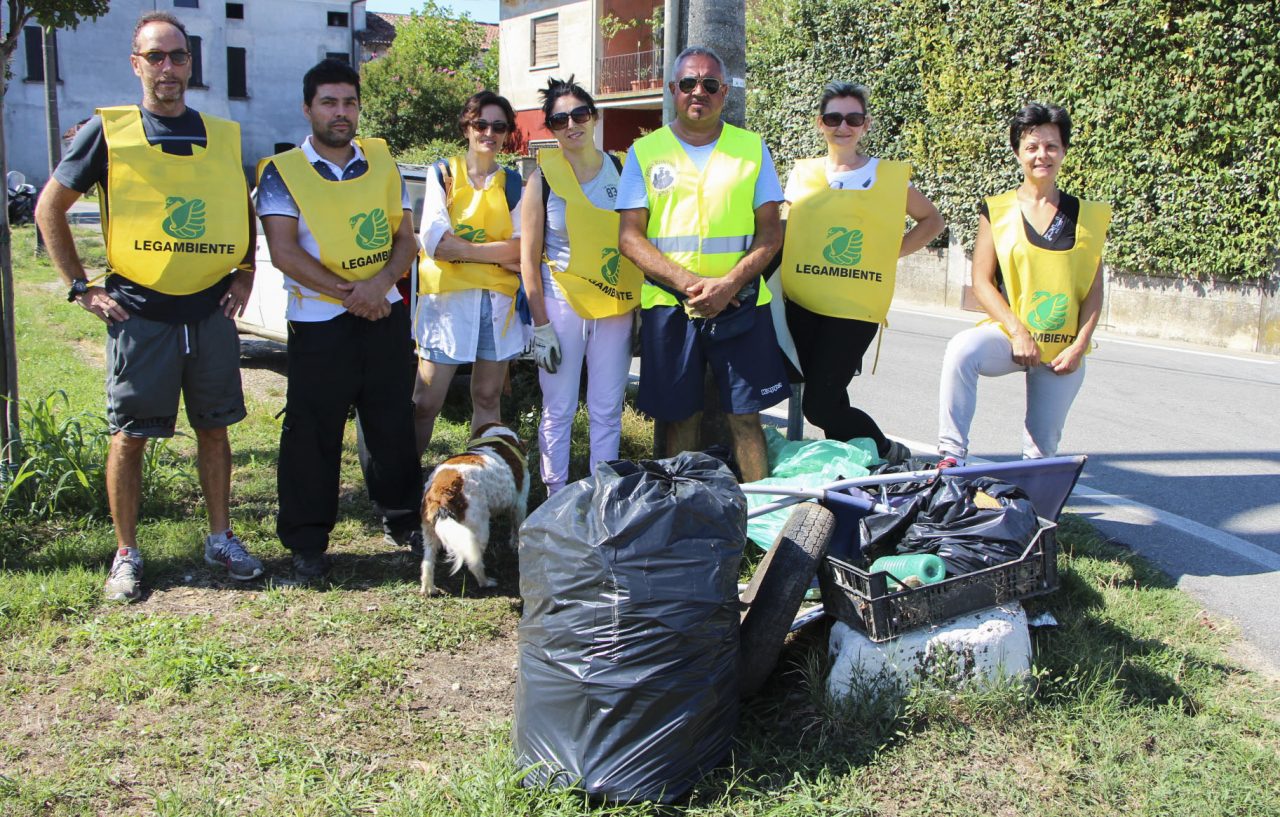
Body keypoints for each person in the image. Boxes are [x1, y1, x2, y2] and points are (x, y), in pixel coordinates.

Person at [34, 11, 263, 602]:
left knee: (215, 431)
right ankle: (127, 554)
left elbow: (240, 208)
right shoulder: (109, 132)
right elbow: (49, 209)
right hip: (140, 315)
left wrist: (244, 271)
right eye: (155, 57)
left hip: (209, 316)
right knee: (130, 436)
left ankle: (219, 538)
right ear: (136, 64)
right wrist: (80, 286)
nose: (168, 67)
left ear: (191, 64)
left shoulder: (220, 133)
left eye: (178, 56)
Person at [255, 59, 422, 580]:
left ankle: (404, 521)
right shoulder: (280, 172)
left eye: (349, 101)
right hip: (319, 323)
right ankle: (306, 541)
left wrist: (380, 287)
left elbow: (405, 239)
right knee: (312, 434)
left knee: (392, 424)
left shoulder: (381, 159)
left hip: (384, 315)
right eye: (329, 102)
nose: (341, 112)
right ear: (308, 108)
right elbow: (284, 252)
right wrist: (353, 294)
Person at [617, 46, 790, 483]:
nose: (700, 91)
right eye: (689, 83)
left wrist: (729, 284)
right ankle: (685, 512)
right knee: (680, 418)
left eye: (710, 84)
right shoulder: (644, 152)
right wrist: (694, 284)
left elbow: (771, 232)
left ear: (724, 92)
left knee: (746, 418)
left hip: (741, 303)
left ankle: (761, 518)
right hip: (671, 307)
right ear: (673, 89)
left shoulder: (752, 149)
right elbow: (629, 237)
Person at [936, 103, 1111, 466]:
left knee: (1040, 452)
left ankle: (1036, 512)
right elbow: (981, 282)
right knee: (962, 351)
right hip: (1011, 337)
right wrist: (1018, 332)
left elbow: (1094, 291)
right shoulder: (997, 210)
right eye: (1031, 147)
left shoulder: (1089, 216)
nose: (1041, 155)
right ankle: (951, 458)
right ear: (1018, 152)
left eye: (1051, 146)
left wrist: (1080, 346)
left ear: (1064, 151)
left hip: (1061, 350)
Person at [779, 82, 944, 463]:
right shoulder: (802, 174)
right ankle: (861, 464)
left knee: (818, 406)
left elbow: (932, 219)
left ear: (866, 124)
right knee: (832, 396)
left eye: (853, 118)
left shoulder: (886, 177)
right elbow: (787, 230)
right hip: (804, 301)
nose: (843, 126)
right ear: (820, 124)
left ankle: (888, 451)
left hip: (856, 306)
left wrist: (890, 254)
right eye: (834, 118)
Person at [520, 76, 641, 495]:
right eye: (559, 119)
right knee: (559, 408)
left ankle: (602, 495)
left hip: (615, 306)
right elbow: (528, 258)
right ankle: (557, 497)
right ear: (550, 129)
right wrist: (540, 325)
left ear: (594, 116)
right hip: (560, 305)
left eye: (579, 114)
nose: (571, 124)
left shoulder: (624, 169)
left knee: (607, 408)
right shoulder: (543, 178)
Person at [413, 91, 526, 456]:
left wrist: (465, 251)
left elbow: (522, 250)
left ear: (507, 132)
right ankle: (404, 486)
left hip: (496, 306)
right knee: (426, 401)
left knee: (488, 396)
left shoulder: (512, 184)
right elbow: (436, 243)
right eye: (481, 124)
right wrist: (496, 255)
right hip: (447, 304)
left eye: (498, 126)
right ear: (467, 126)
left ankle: (480, 480)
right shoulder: (443, 174)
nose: (488, 133)